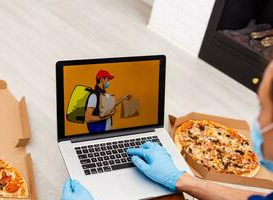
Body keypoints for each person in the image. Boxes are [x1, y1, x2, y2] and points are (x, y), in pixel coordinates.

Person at [61, 61, 273, 200]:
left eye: (262, 107)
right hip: (94, 133)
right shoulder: (93, 96)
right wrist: (181, 179)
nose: (257, 119)